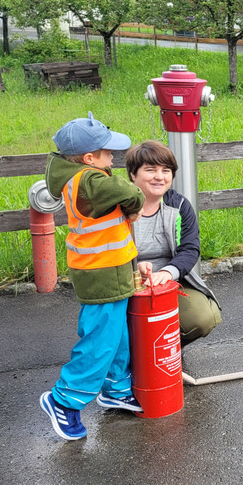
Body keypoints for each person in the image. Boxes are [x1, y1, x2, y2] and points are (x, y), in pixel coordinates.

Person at [40, 112, 146, 440]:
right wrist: (136, 200)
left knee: (118, 335)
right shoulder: (89, 181)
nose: (112, 158)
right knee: (100, 339)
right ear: (89, 158)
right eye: (107, 153)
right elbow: (127, 191)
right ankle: (64, 400)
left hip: (112, 267)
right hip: (100, 272)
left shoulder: (83, 177)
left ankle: (116, 388)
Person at [125, 140, 221, 346]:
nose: (159, 177)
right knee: (120, 331)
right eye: (150, 170)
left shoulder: (179, 206)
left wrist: (167, 273)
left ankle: (166, 350)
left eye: (166, 170)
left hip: (168, 281)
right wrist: (133, 268)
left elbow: (190, 248)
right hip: (124, 283)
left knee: (203, 317)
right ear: (133, 174)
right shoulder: (118, 207)